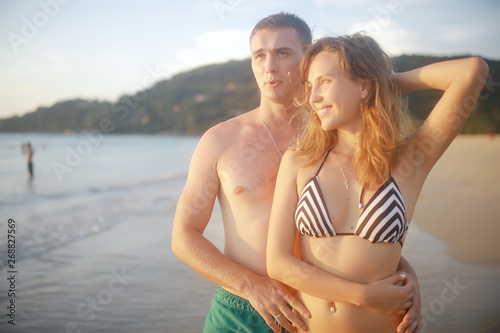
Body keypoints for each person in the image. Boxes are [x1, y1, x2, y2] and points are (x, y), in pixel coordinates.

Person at [172, 13, 421, 333]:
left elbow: (359, 228)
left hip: (317, 313)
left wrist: (403, 274)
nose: (269, 66)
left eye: (283, 53)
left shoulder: (336, 135)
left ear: (309, 59)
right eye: (259, 55)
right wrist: (251, 286)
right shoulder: (220, 140)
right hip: (240, 310)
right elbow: (184, 236)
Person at [266, 34, 488, 332]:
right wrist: (363, 295)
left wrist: (383, 83)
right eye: (309, 85)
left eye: (325, 82)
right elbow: (278, 263)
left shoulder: (410, 160)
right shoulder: (299, 161)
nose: (312, 97)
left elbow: (471, 71)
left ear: (363, 85)